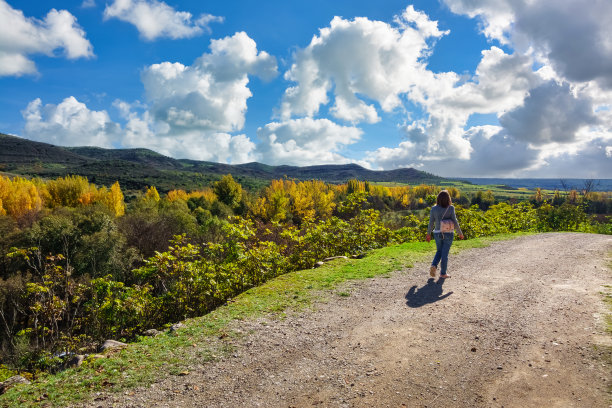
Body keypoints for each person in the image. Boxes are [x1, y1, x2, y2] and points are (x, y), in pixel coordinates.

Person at [426, 190, 464, 279]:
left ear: (438, 198)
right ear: (448, 199)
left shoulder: (433, 209)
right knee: (445, 253)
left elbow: (431, 222)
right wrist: (460, 233)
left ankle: (434, 265)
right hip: (448, 233)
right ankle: (443, 273)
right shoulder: (451, 208)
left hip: (437, 233)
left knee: (439, 251)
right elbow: (455, 221)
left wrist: (428, 234)